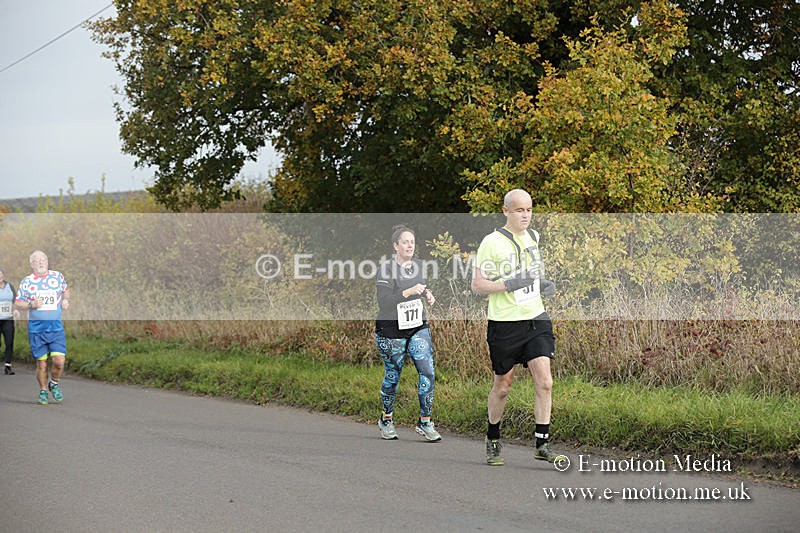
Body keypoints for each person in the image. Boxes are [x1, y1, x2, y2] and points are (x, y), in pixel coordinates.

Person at [471, 189, 564, 465]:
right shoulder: (491, 242)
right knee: (503, 385)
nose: (526, 215)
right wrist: (508, 285)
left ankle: (542, 444)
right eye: (520, 210)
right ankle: (493, 437)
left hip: (536, 318)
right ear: (506, 211)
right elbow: (477, 286)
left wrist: (542, 284)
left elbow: (533, 274)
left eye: (529, 210)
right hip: (504, 324)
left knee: (545, 381)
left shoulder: (534, 237)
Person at [374, 224, 441, 442]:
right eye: (405, 242)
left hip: (417, 327)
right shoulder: (386, 269)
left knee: (427, 372)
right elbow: (384, 303)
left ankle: (425, 421)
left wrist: (427, 294)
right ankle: (386, 419)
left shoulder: (419, 266)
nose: (410, 245)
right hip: (391, 330)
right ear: (395, 246)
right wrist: (407, 292)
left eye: (412, 242)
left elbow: (422, 287)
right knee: (393, 377)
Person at [14, 250, 70, 404]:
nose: (40, 262)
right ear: (31, 264)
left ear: (47, 261)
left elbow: (66, 291)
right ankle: (43, 391)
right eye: (37, 260)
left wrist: (66, 300)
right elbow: (18, 303)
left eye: (43, 259)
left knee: (59, 361)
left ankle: (54, 383)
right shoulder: (27, 282)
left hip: (56, 328)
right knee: (42, 363)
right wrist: (32, 304)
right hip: (37, 329)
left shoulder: (57, 277)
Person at [0, 267, 19, 375]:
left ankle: (8, 365)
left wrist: (15, 309)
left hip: (8, 319)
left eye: (0, 275)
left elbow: (14, 300)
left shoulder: (9, 286)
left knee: (9, 342)